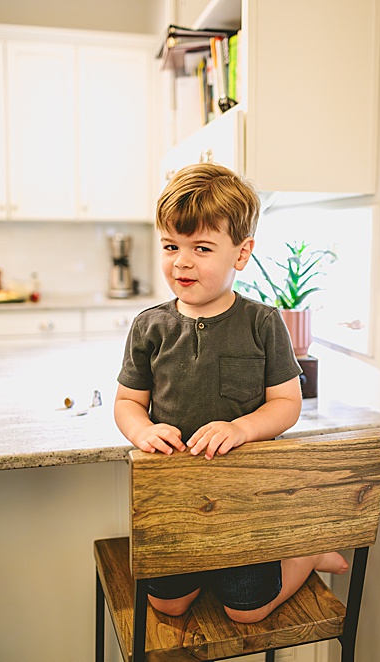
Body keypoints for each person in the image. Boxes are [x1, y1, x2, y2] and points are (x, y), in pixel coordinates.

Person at [112, 162, 348, 623]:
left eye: (201, 248)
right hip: (177, 500)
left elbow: (286, 404)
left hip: (248, 503)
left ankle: (306, 554)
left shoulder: (262, 322)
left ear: (241, 254)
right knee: (168, 603)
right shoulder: (149, 326)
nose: (181, 261)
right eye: (170, 246)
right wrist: (142, 431)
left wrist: (240, 428)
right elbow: (127, 403)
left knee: (247, 610)